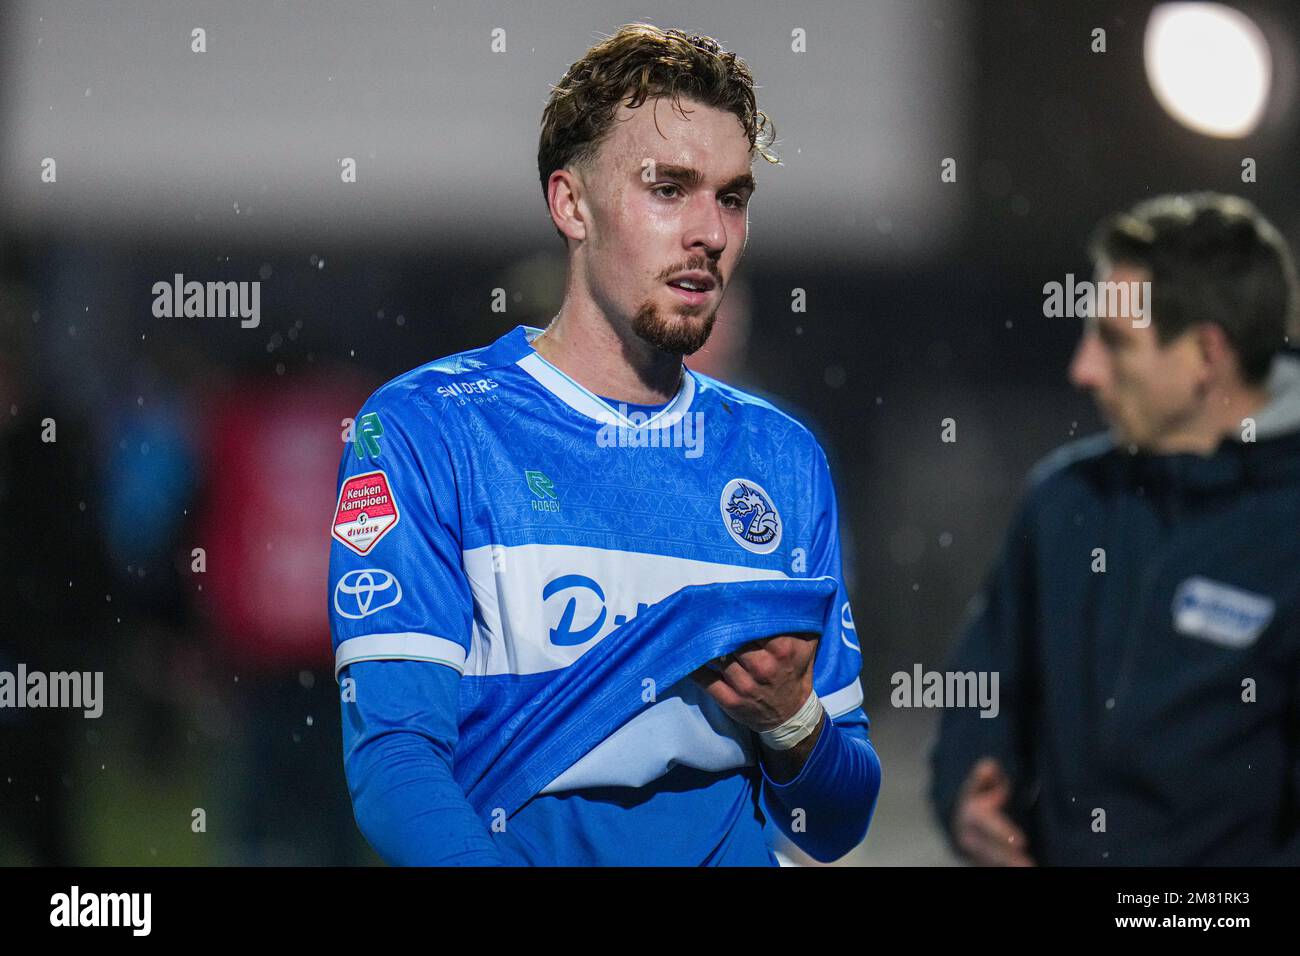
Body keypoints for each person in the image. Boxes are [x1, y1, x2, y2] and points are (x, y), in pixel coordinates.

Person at [327, 23, 881, 866]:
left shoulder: (782, 458)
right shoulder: (427, 428)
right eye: (669, 188)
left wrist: (795, 721)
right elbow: (395, 766)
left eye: (732, 198)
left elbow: (835, 824)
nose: (712, 233)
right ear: (570, 203)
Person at [929, 193, 1300, 865]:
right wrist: (968, 785)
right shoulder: (1065, 501)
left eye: (1116, 340)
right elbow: (982, 688)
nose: (1084, 369)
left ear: (1207, 356)